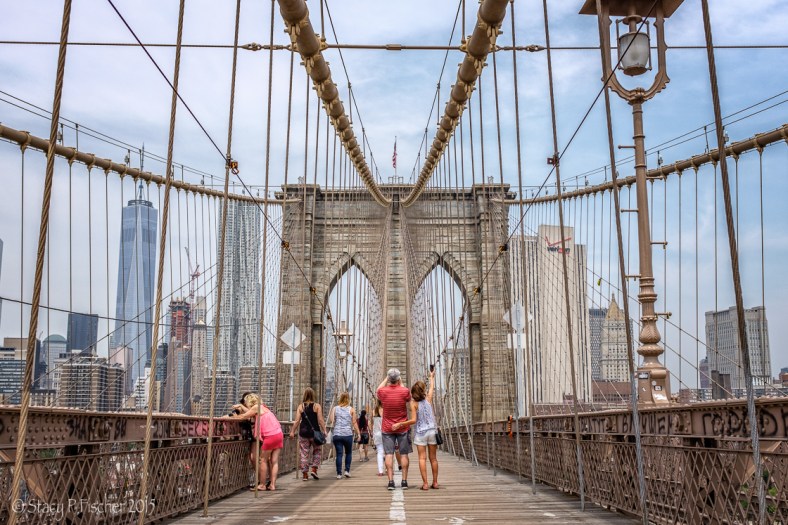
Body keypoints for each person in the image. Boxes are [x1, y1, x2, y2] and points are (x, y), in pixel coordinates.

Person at [231, 393, 283, 491]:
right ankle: (272, 484)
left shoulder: (256, 407)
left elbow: (243, 417)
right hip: (278, 433)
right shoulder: (263, 407)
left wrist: (233, 416)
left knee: (262, 460)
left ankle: (262, 484)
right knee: (274, 461)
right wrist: (242, 407)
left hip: (270, 435)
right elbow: (251, 413)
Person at [398, 369, 439, 490]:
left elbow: (414, 421)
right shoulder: (428, 399)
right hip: (432, 431)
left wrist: (401, 423)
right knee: (433, 459)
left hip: (421, 433)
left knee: (422, 458)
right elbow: (431, 388)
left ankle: (425, 484)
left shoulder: (413, 403)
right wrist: (432, 377)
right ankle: (435, 482)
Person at [377, 368, 413, 490]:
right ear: (398, 379)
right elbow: (407, 395)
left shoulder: (383, 392)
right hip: (402, 427)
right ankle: (404, 482)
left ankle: (391, 482)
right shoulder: (405, 391)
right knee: (403, 454)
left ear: (388, 379)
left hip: (387, 428)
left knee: (388, 454)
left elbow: (377, 390)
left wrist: (386, 378)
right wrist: (400, 382)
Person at [289, 387, 327, 481]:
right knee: (317, 451)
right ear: (313, 395)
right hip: (315, 434)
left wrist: (292, 431)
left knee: (304, 453)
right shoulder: (317, 406)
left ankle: (305, 474)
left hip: (304, 433)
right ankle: (314, 469)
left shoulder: (301, 406)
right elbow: (320, 420)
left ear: (304, 395)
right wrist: (324, 429)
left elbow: (297, 421)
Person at [328, 392, 360, 479]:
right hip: (347, 434)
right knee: (348, 453)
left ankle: (339, 474)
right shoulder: (352, 409)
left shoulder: (335, 408)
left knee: (339, 454)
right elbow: (354, 423)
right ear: (348, 399)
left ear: (340, 399)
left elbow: (331, 420)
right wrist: (358, 433)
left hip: (337, 434)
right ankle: (347, 471)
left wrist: (335, 414)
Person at [372, 400, 385, 476]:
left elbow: (371, 423)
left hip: (377, 434)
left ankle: (380, 471)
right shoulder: (386, 410)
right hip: (386, 433)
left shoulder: (374, 411)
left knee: (380, 452)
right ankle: (388, 469)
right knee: (388, 452)